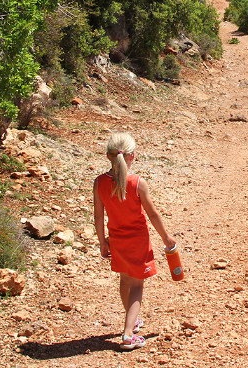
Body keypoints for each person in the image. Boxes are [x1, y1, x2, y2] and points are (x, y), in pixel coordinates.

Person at [93, 131, 176, 350]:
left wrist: (103, 241)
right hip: (138, 241)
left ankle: (132, 319)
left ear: (108, 156)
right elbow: (153, 214)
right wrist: (166, 238)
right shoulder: (137, 183)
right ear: (133, 156)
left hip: (117, 240)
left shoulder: (99, 182)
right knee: (137, 285)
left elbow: (98, 216)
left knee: (124, 280)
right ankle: (128, 333)